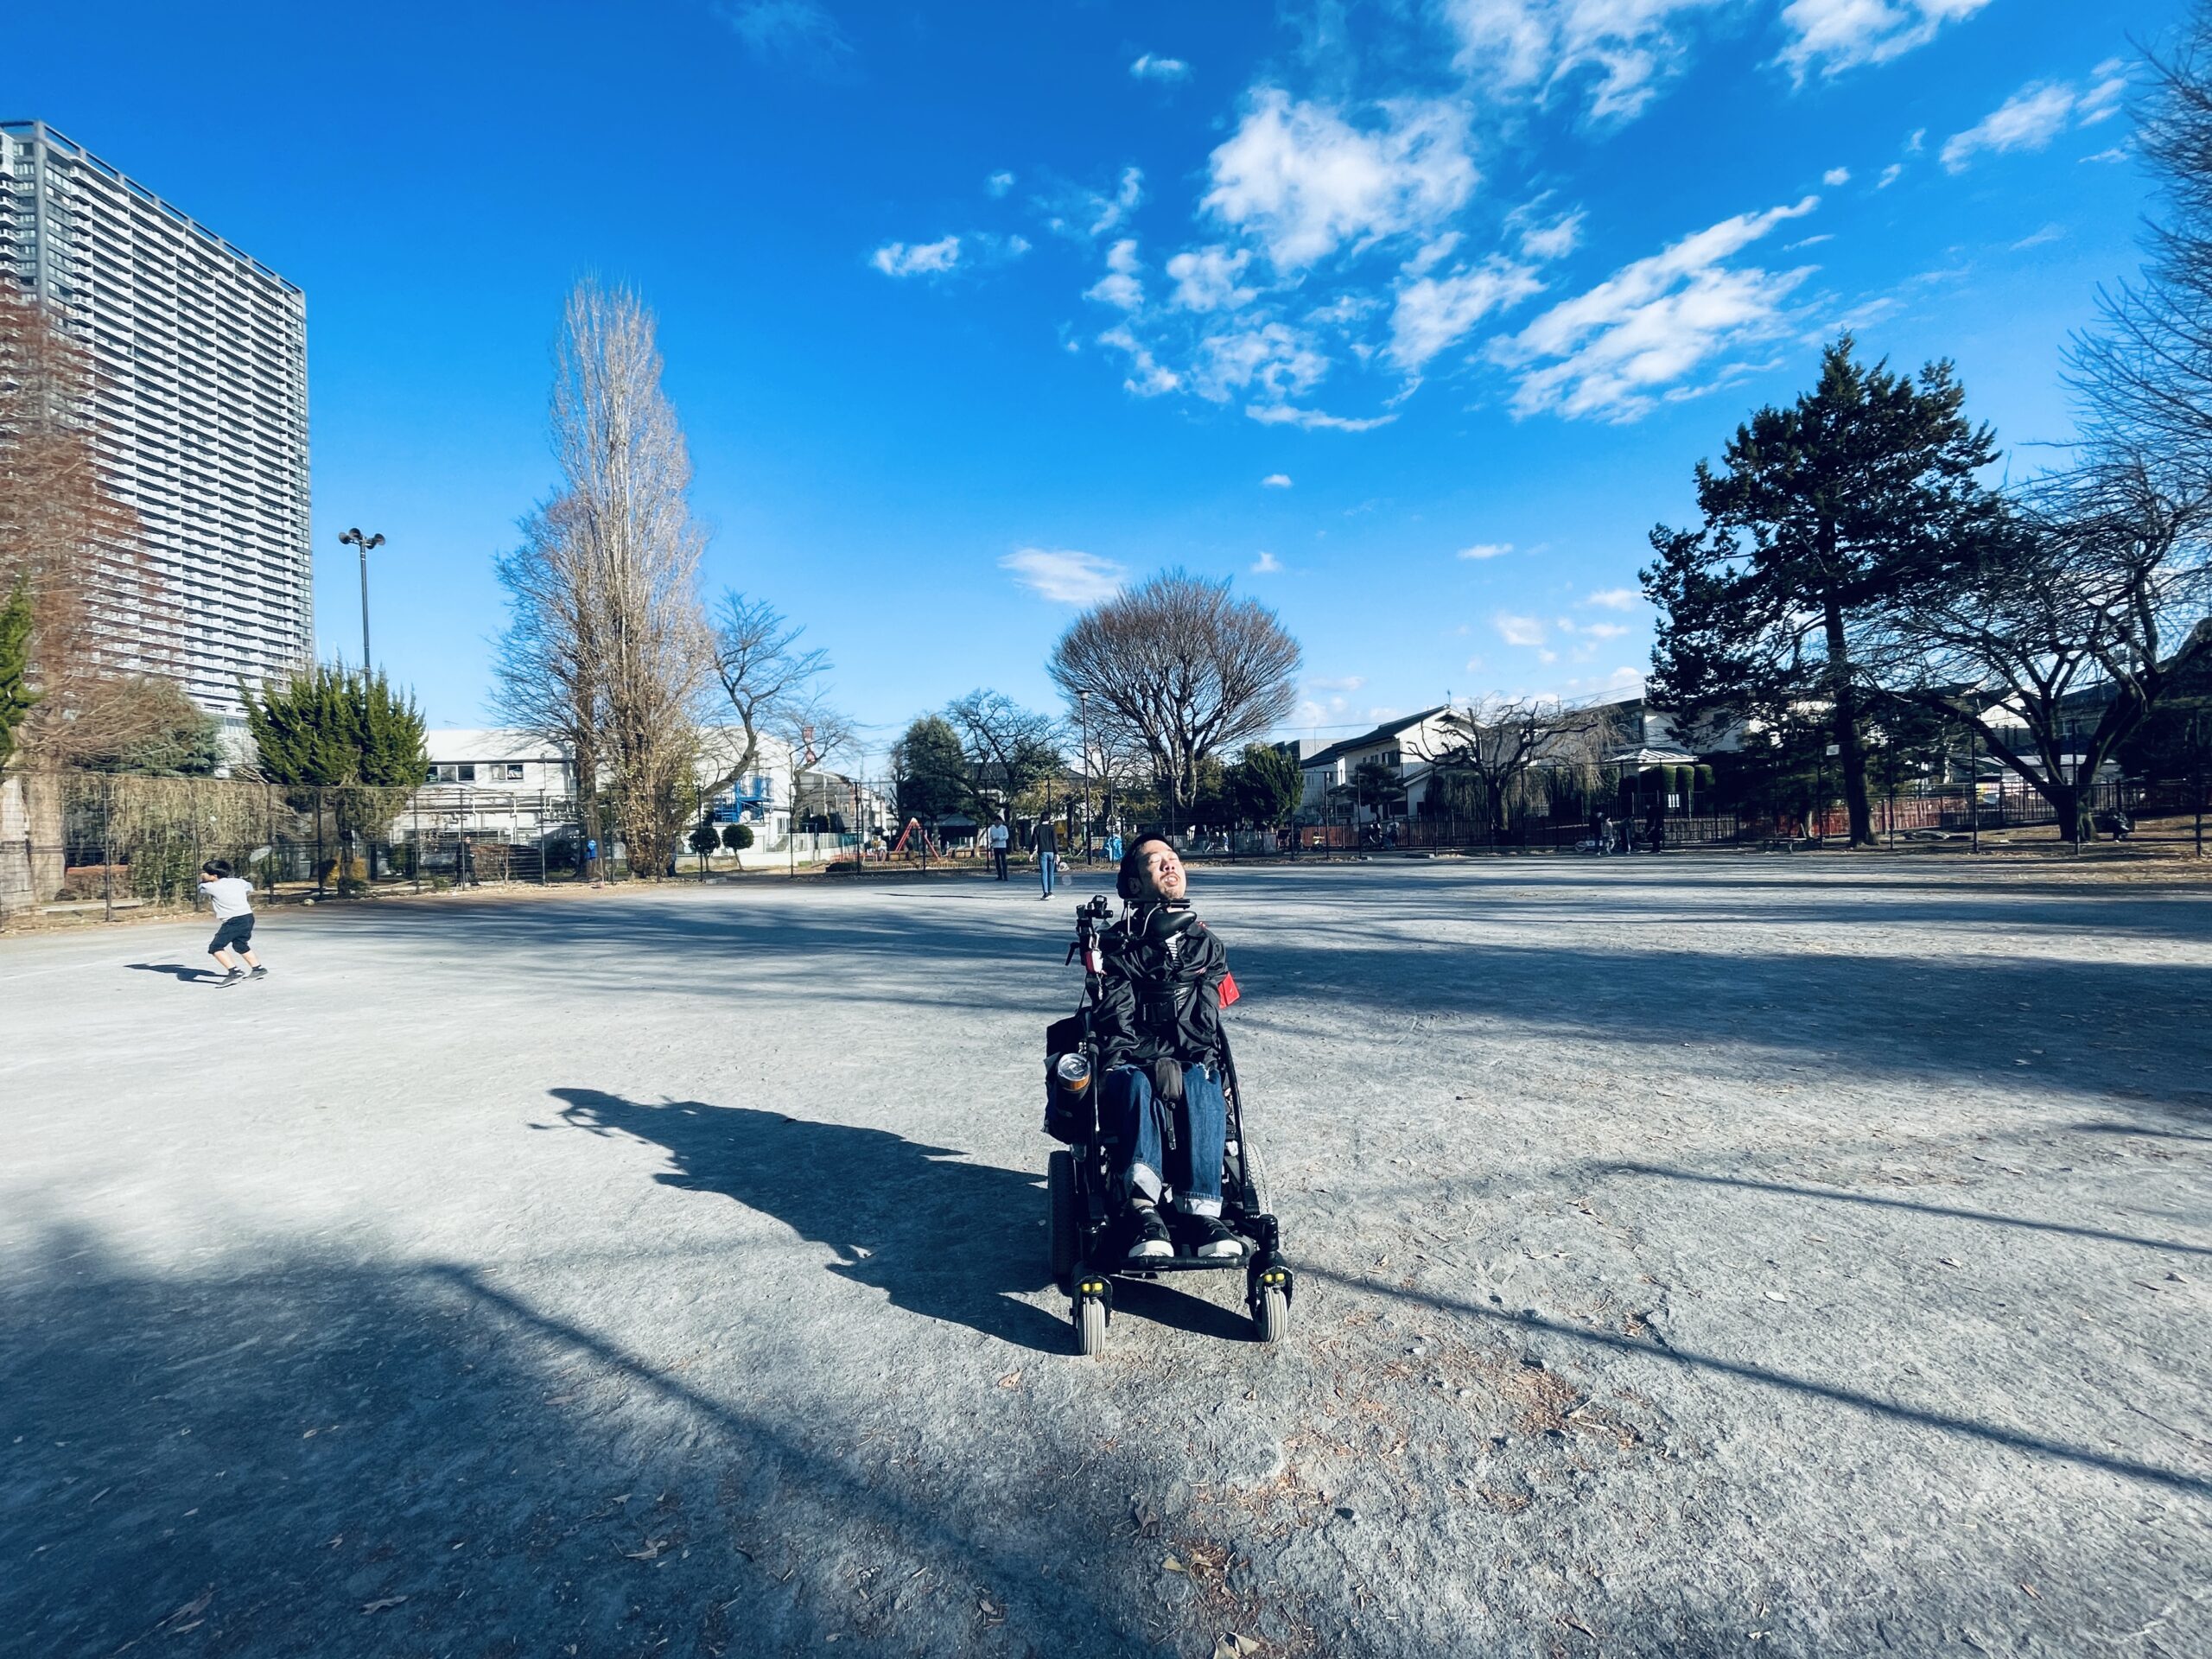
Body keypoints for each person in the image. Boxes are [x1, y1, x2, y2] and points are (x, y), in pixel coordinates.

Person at [1094, 835, 1243, 1262]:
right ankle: (1143, 1208)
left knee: (1201, 1078)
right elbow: (1117, 1024)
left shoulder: (1207, 945)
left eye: (1173, 858)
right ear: (1134, 884)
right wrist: (1152, 1060)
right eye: (1154, 861)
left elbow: (1205, 1022)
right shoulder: (1116, 945)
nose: (1168, 865)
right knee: (1135, 1081)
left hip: (1188, 1055)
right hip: (1132, 1057)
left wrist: (1186, 1063)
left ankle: (1201, 1211)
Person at [198, 860, 265, 987]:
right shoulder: (239, 882)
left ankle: (234, 972)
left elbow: (200, 889)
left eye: (206, 872)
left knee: (215, 947)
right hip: (248, 917)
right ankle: (258, 969)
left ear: (214, 876)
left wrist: (203, 881)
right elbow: (249, 888)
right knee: (240, 944)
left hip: (233, 921)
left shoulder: (209, 886)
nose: (203, 874)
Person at [1036, 817, 1058, 900]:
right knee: (1051, 873)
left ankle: (1045, 893)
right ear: (1049, 819)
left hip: (1042, 851)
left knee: (1044, 872)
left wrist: (1031, 853)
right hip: (1051, 852)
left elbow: (1034, 840)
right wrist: (1057, 853)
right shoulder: (1052, 828)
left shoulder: (1037, 828)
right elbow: (1054, 840)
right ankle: (1050, 891)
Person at [987, 815, 1010, 881]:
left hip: (1002, 846)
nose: (997, 822)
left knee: (1003, 861)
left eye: (998, 821)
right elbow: (990, 836)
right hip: (995, 846)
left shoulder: (1004, 827)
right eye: (995, 821)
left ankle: (1005, 876)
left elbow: (1006, 836)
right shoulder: (992, 828)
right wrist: (992, 840)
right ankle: (1000, 875)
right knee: (997, 862)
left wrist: (999, 838)